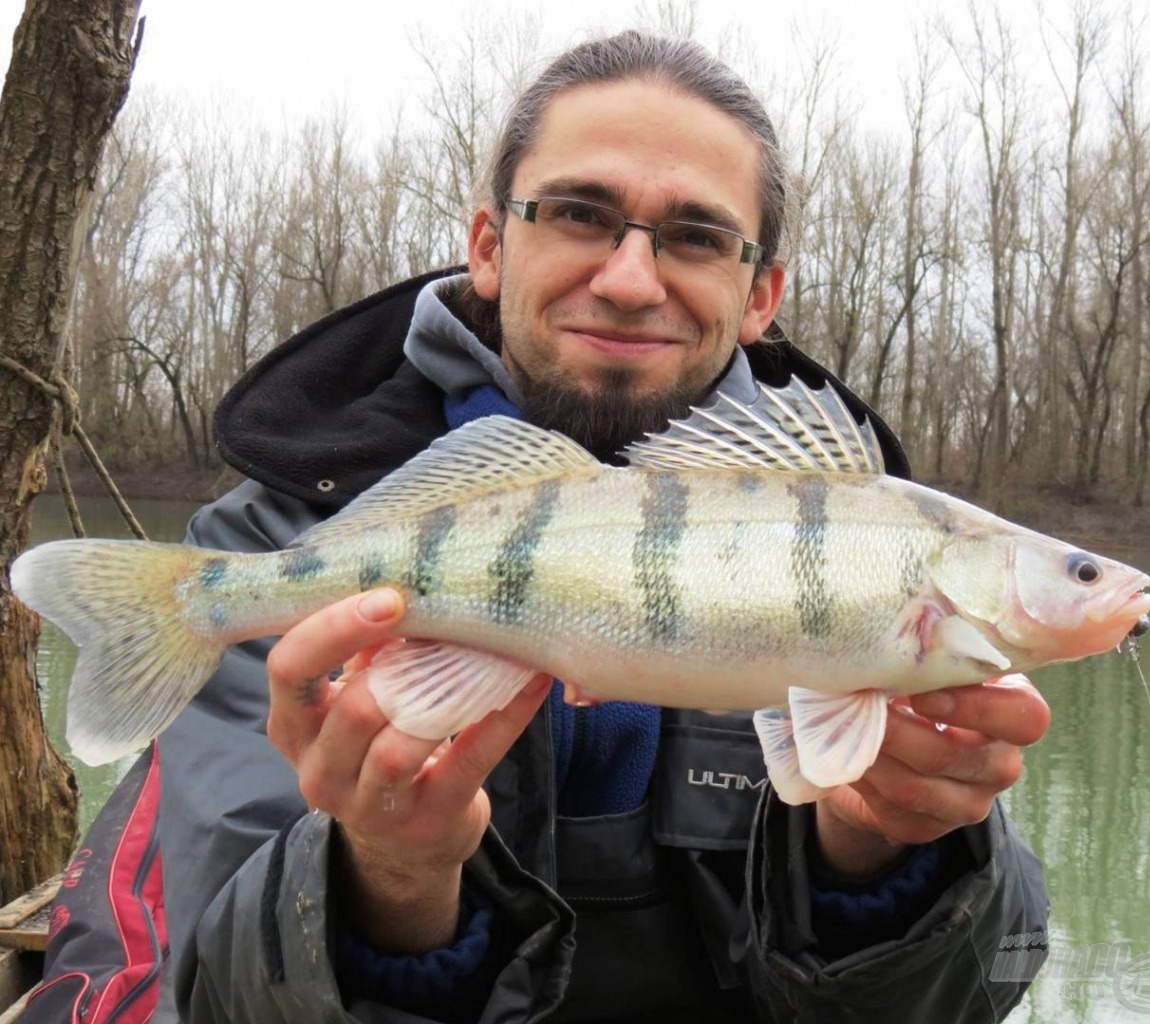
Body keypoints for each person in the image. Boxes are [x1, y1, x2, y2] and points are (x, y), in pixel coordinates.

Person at [25, 31, 1050, 1024]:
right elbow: (205, 990)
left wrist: (891, 854)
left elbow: (972, 987)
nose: (628, 278)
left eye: (694, 236)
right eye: (577, 213)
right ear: (488, 244)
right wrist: (387, 876)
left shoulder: (856, 544)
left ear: (759, 295)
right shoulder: (279, 538)